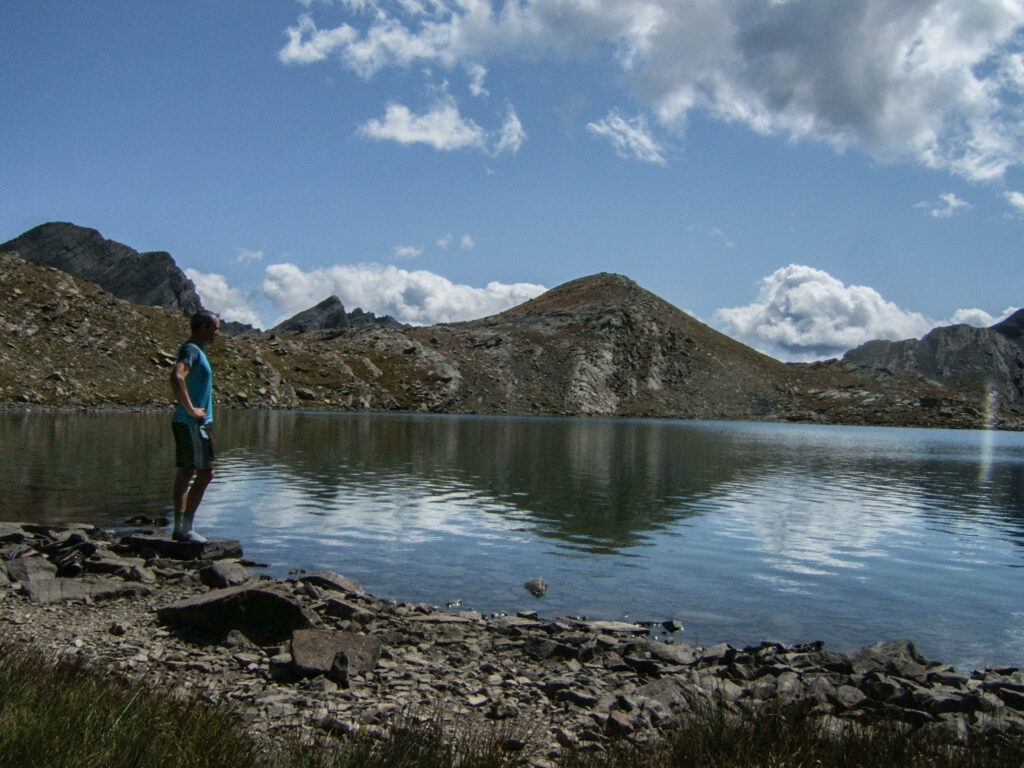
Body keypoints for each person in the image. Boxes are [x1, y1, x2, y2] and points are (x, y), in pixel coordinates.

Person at [169, 310, 220, 543]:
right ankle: (183, 529)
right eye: (215, 328)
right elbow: (177, 376)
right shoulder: (191, 350)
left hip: (193, 423)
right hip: (191, 422)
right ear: (203, 328)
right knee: (201, 472)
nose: (217, 333)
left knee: (192, 472)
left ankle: (182, 528)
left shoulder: (197, 352)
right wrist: (191, 409)